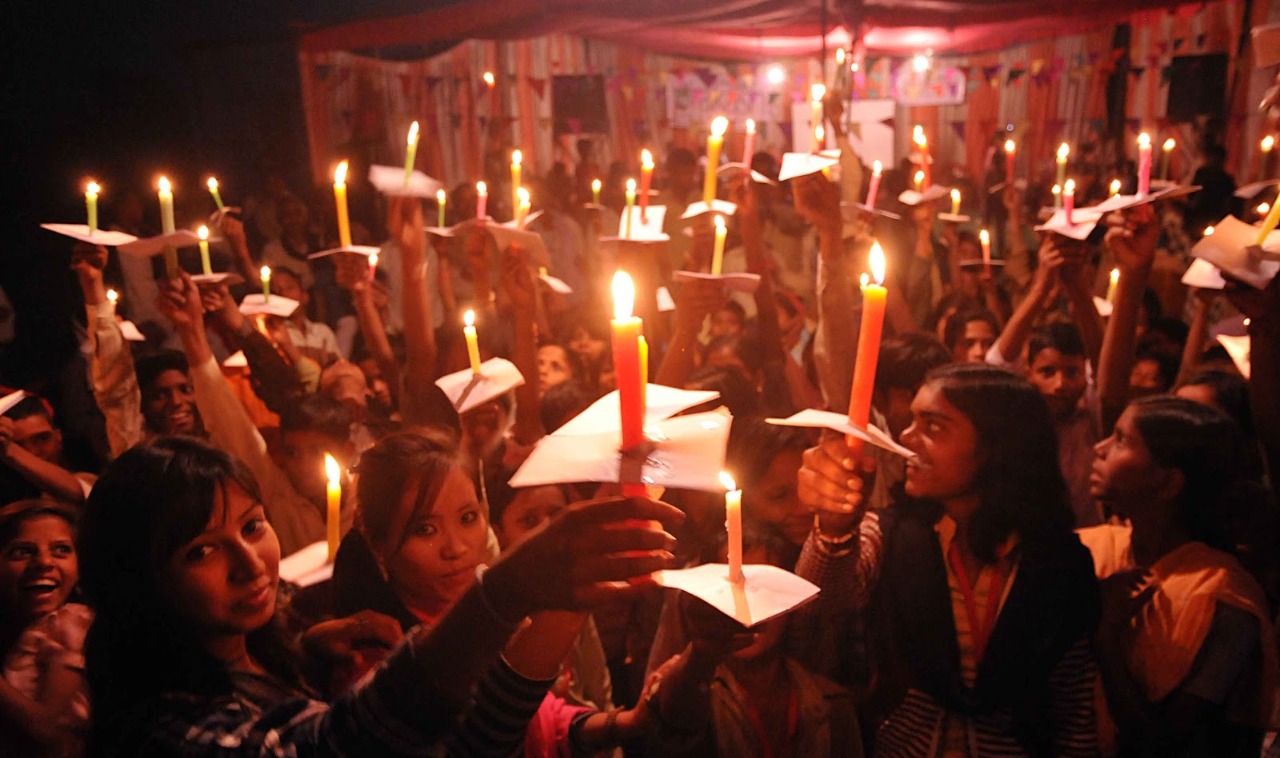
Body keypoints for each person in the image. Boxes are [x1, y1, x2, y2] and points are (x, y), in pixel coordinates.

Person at [76, 435, 682, 754]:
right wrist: (508, 593)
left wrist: (617, 722)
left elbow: (476, 741)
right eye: (200, 551)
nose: (247, 563)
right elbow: (337, 749)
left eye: (253, 527)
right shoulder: (160, 726)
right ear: (139, 582)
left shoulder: (288, 655)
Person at [794, 363, 1099, 755]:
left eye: (933, 426)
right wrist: (834, 530)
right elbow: (818, 606)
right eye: (912, 421)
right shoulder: (891, 534)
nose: (906, 438)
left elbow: (1073, 715)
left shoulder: (1056, 563)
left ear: (996, 445)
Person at [332, 429, 666, 754]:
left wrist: (630, 721)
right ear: (378, 544)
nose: (456, 547)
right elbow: (480, 738)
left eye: (467, 517)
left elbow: (546, 719)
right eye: (425, 529)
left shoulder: (495, 618)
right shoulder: (372, 658)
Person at [1084, 396, 1279, 755]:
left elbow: (1163, 744)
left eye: (1122, 440)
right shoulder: (1088, 551)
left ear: (1170, 483)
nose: (1100, 448)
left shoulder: (1222, 597)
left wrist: (1107, 641)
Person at [645, 524, 862, 757]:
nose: (746, 608)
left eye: (764, 591)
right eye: (732, 589)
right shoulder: (688, 694)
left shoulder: (830, 704)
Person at [0, 500, 91, 756]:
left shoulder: (70, 623)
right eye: (22, 551)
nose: (43, 562)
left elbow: (53, 736)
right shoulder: (16, 628)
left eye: (61, 550)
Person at [0, 396, 95, 505]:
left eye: (42, 438)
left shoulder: (87, 480)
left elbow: (80, 493)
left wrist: (10, 449)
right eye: (19, 444)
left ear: (58, 436)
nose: (33, 452)